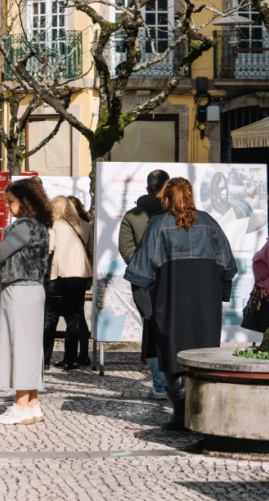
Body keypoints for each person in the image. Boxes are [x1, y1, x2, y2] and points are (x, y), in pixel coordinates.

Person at [126, 177, 238, 430]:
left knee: (172, 355)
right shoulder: (209, 222)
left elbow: (140, 273)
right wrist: (218, 294)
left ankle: (180, 412)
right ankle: (200, 410)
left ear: (166, 198)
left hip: (170, 303)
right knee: (202, 356)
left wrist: (147, 310)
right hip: (205, 306)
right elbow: (228, 267)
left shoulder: (158, 224)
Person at [0, 178, 52, 426]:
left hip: (19, 290)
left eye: (11, 201)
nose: (8, 206)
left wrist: (0, 259)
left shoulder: (24, 226)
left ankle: (20, 405)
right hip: (36, 289)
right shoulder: (41, 226)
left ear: (24, 201)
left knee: (19, 347)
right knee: (32, 347)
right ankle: (33, 403)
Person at [118, 169, 170, 399]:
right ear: (167, 187)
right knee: (176, 330)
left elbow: (126, 248)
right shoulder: (174, 213)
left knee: (152, 332)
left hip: (145, 283)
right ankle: (175, 383)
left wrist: (141, 266)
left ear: (147, 188)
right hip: (172, 278)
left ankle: (159, 386)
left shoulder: (132, 215)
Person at [43, 196, 92, 371]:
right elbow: (91, 250)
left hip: (59, 275)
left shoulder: (55, 226)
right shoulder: (85, 226)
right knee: (74, 320)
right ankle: (69, 360)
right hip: (79, 275)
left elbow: (48, 248)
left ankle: (45, 360)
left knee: (50, 318)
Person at [66, 196, 93, 367]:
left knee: (72, 316)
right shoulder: (86, 226)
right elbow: (91, 251)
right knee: (78, 314)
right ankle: (83, 354)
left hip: (65, 274)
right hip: (82, 273)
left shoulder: (62, 226)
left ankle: (72, 355)